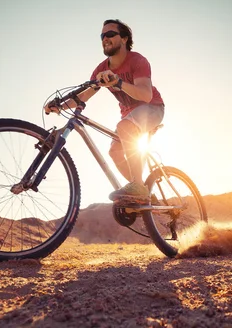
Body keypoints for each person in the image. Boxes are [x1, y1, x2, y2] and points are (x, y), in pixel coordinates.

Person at [45, 19, 165, 205]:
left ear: (124, 39)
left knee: (124, 127)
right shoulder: (101, 69)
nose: (105, 39)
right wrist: (60, 106)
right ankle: (143, 191)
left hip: (153, 108)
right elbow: (83, 96)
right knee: (115, 152)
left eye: (110, 34)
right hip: (129, 116)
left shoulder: (137, 60)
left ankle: (139, 187)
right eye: (102, 36)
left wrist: (118, 82)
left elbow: (145, 95)